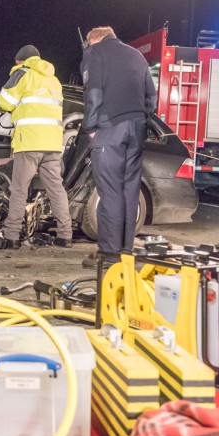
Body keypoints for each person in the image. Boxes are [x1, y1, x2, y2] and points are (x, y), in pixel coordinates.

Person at [80, 26, 157, 261]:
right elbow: (151, 98)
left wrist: (91, 127)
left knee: (110, 190)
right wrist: (140, 121)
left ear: (94, 39)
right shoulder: (137, 55)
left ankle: (109, 252)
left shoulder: (95, 53)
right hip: (136, 129)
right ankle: (126, 249)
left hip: (109, 129)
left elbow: (92, 92)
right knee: (129, 190)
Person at [0, 45, 72, 249]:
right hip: (53, 143)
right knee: (56, 189)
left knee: (19, 189)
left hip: (29, 142)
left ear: (21, 61)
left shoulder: (22, 74)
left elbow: (4, 103)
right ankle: (65, 235)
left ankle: (11, 236)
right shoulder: (54, 80)